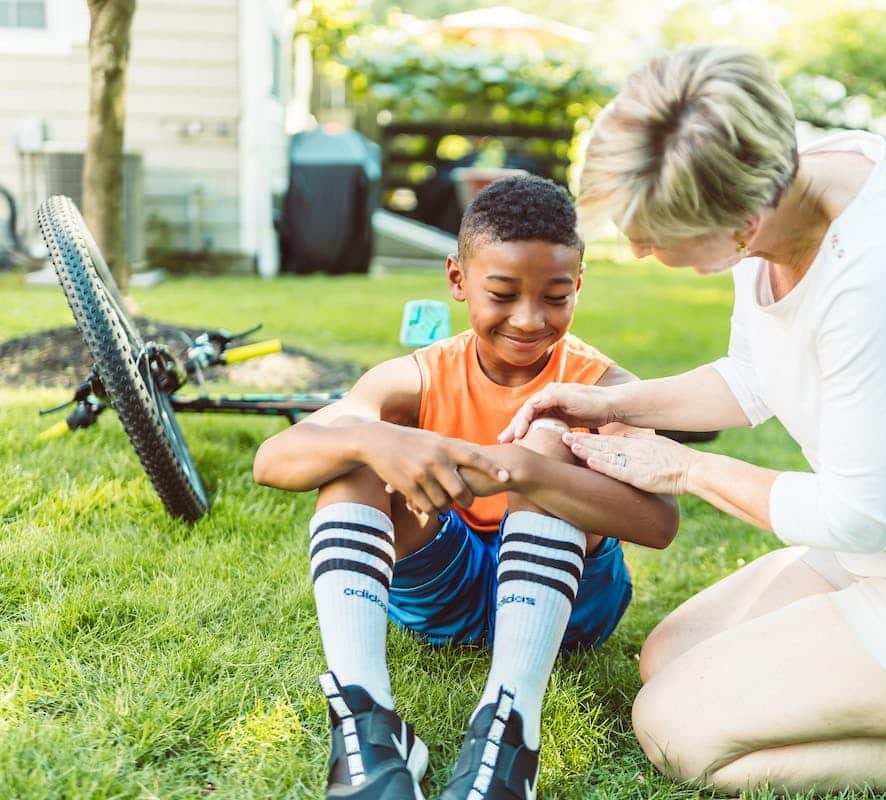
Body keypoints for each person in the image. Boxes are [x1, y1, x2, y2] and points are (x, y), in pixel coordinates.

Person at [499, 46, 886, 794]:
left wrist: (687, 467)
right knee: (667, 658)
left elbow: (860, 513)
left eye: (654, 236)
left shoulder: (884, 273)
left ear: (742, 221)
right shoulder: (781, 190)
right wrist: (610, 404)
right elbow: (754, 377)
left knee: (675, 730)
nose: (639, 250)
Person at [254, 175, 678, 800]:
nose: (529, 319)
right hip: (444, 588)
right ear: (457, 280)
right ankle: (368, 722)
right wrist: (371, 440)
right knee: (353, 451)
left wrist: (522, 469)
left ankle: (511, 729)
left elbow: (659, 522)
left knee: (549, 439)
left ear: (579, 285)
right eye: (502, 293)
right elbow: (273, 460)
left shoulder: (606, 387)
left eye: (556, 297)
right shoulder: (419, 376)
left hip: (571, 603)